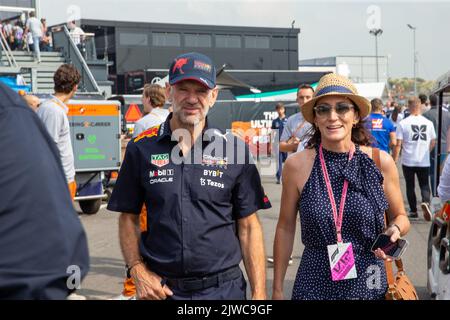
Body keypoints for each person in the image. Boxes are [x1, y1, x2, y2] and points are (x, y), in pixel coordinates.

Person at [107, 52, 271, 300]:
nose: (192, 99)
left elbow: (249, 227)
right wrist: (137, 269)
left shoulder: (234, 150)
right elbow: (128, 218)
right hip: (161, 290)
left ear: (213, 96)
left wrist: (259, 294)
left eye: (201, 91)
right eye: (184, 89)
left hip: (224, 291)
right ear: (169, 91)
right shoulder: (141, 148)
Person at [272, 73, 410, 300]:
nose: (332, 117)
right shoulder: (296, 166)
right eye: (323, 109)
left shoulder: (379, 161)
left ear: (355, 115)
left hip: (369, 281)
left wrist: (394, 230)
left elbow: (401, 216)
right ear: (315, 118)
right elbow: (285, 227)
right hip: (314, 282)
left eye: (342, 108)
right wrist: (277, 290)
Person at [0, 82, 89, 299]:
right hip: (60, 178)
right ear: (75, 87)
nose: (37, 105)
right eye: (35, 103)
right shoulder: (26, 112)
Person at [37, 64, 81, 200]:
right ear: (75, 87)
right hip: (60, 181)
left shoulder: (50, 108)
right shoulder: (53, 111)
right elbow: (49, 149)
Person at [393, 97, 436, 221]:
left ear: (409, 106)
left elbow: (398, 143)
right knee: (424, 185)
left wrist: (395, 159)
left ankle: (413, 211)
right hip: (424, 160)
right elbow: (433, 141)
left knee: (410, 186)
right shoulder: (428, 123)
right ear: (420, 106)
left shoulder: (403, 123)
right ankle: (426, 203)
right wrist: (427, 151)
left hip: (408, 160)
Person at [424, 94, 450, 196]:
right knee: (444, 172)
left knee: (433, 172)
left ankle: (435, 194)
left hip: (433, 146)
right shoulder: (447, 114)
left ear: (430, 102)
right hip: (446, 146)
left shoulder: (426, 115)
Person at [279, 84, 314, 154]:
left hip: (315, 162)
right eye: (301, 97)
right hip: (295, 163)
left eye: (308, 97)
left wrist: (303, 145)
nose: (304, 101)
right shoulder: (291, 120)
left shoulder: (320, 119)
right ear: (297, 100)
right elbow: (281, 146)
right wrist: (294, 146)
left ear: (314, 99)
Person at [271, 103, 288, 184]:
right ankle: (279, 177)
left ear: (284, 109)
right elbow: (273, 133)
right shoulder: (275, 121)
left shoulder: (288, 120)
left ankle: (288, 177)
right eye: (278, 109)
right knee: (278, 162)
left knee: (288, 161)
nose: (280, 111)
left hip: (287, 144)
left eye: (281, 109)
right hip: (277, 144)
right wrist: (271, 144)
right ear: (276, 110)